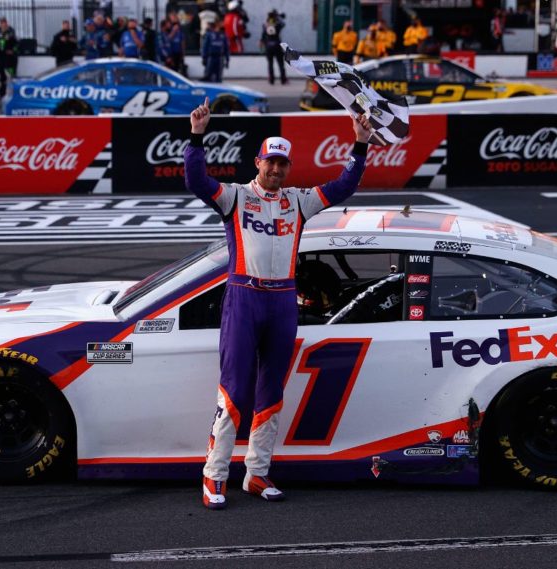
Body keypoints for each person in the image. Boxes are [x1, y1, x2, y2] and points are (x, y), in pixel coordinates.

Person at [184, 97, 372, 510]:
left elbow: (343, 188)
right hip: (244, 297)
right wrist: (196, 137)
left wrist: (359, 145)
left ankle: (257, 474)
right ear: (257, 162)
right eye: (270, 162)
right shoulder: (234, 197)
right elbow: (197, 182)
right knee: (234, 390)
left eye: (282, 164)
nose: (275, 169)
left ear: (288, 167)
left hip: (283, 300)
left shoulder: (298, 201)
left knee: (271, 391)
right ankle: (214, 475)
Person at [0, 17, 17, 100]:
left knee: (11, 75)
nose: (3, 24)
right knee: (2, 76)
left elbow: (15, 43)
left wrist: (12, 51)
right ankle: (1, 93)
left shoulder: (11, 31)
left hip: (10, 58)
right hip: (1, 57)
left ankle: (13, 92)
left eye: (4, 22)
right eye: (1, 22)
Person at [260, 10, 286, 85]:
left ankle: (271, 80)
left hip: (268, 45)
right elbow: (283, 24)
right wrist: (279, 17)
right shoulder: (277, 24)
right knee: (280, 63)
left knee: (270, 63)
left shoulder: (265, 24)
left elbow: (263, 34)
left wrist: (262, 42)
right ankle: (283, 79)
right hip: (277, 44)